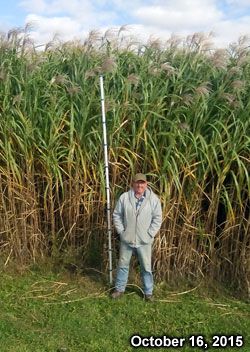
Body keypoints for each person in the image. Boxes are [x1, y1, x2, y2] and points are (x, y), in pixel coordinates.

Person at [111, 173, 162, 301]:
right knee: (123, 265)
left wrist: (150, 234)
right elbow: (116, 215)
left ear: (146, 184)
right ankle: (119, 289)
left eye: (142, 183)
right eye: (137, 183)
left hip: (144, 241)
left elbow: (157, 218)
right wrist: (122, 231)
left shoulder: (153, 199)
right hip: (127, 239)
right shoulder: (124, 198)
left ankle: (148, 293)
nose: (140, 185)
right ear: (132, 184)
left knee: (146, 267)